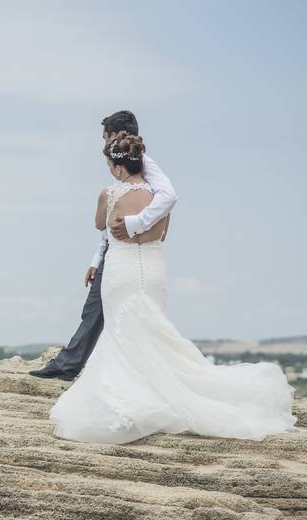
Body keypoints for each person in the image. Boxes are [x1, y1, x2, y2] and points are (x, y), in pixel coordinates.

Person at [48, 132, 297, 444]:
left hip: (121, 269)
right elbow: (161, 235)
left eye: (110, 164)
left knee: (121, 330)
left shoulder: (108, 194)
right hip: (152, 269)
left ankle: (134, 393)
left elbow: (100, 224)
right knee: (153, 328)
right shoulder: (158, 196)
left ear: (117, 167)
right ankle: (162, 387)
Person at [30, 111, 177, 381]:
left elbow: (168, 196)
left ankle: (72, 366)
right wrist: (97, 260)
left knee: (112, 310)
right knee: (102, 310)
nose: (101, 144)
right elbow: (110, 223)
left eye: (105, 137)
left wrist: (135, 224)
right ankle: (75, 364)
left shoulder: (142, 164)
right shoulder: (125, 169)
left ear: (116, 136)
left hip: (131, 251)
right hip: (122, 250)